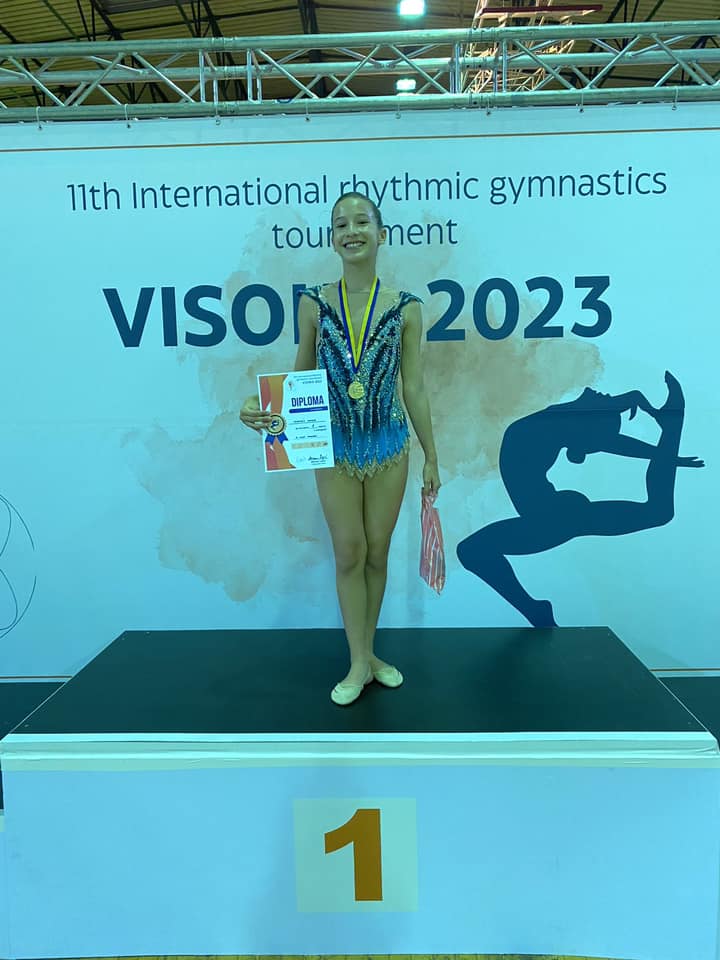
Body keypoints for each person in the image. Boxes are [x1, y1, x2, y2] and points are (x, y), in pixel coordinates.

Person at [240, 192, 440, 704]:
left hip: (389, 444)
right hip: (332, 444)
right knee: (349, 551)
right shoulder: (314, 303)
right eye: (340, 224)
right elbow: (302, 375)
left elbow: (414, 387)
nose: (351, 231)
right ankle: (358, 662)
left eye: (361, 222)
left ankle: (368, 655)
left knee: (377, 551)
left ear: (381, 233)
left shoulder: (407, 308)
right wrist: (262, 410)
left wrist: (432, 455)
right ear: (332, 239)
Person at [457, 374, 704, 626]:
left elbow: (603, 434)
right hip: (554, 514)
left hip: (552, 518)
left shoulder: (554, 424)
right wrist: (662, 444)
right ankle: (535, 611)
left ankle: (535, 611)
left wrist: (663, 447)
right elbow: (600, 431)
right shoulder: (557, 423)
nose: (595, 393)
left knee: (471, 550)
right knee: (659, 512)